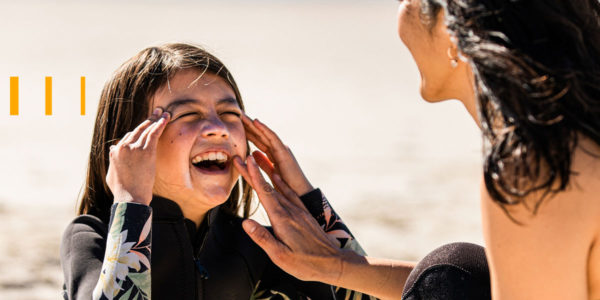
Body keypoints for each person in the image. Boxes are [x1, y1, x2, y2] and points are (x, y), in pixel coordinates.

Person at [232, 0, 600, 299]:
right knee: (454, 273)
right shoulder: (571, 135)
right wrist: (334, 264)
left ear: (452, 29)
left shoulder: (539, 167)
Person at [59, 43, 376, 300]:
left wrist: (305, 195)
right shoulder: (92, 236)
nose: (218, 129)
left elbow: (367, 295)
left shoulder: (253, 243)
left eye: (229, 113)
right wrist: (131, 202)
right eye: (188, 114)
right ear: (132, 144)